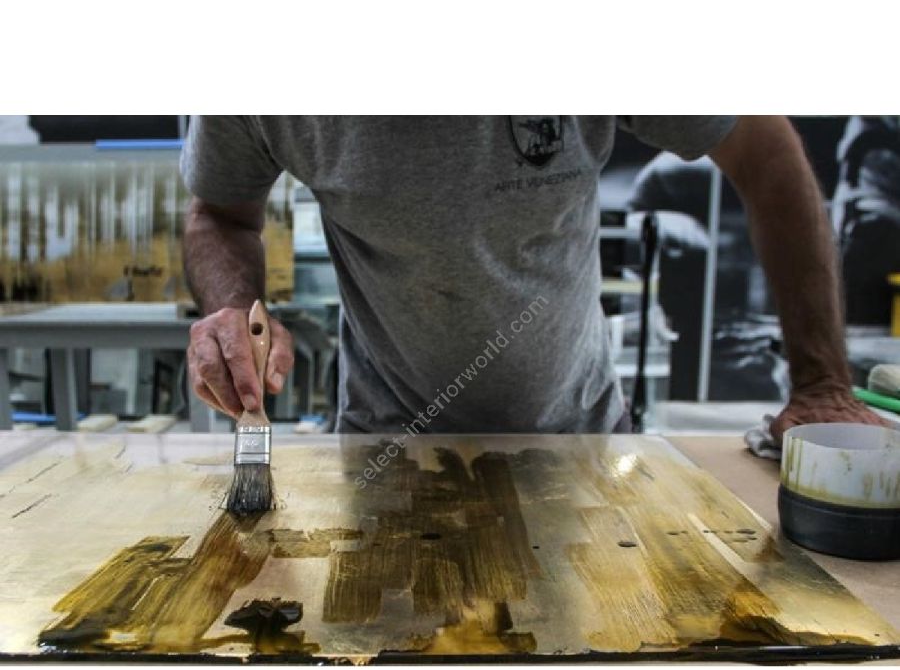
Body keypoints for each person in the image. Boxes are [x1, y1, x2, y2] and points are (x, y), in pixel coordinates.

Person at [179, 116, 884, 441]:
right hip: (387, 448)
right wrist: (233, 309)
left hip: (580, 439)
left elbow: (765, 154)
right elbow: (219, 214)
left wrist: (822, 383)